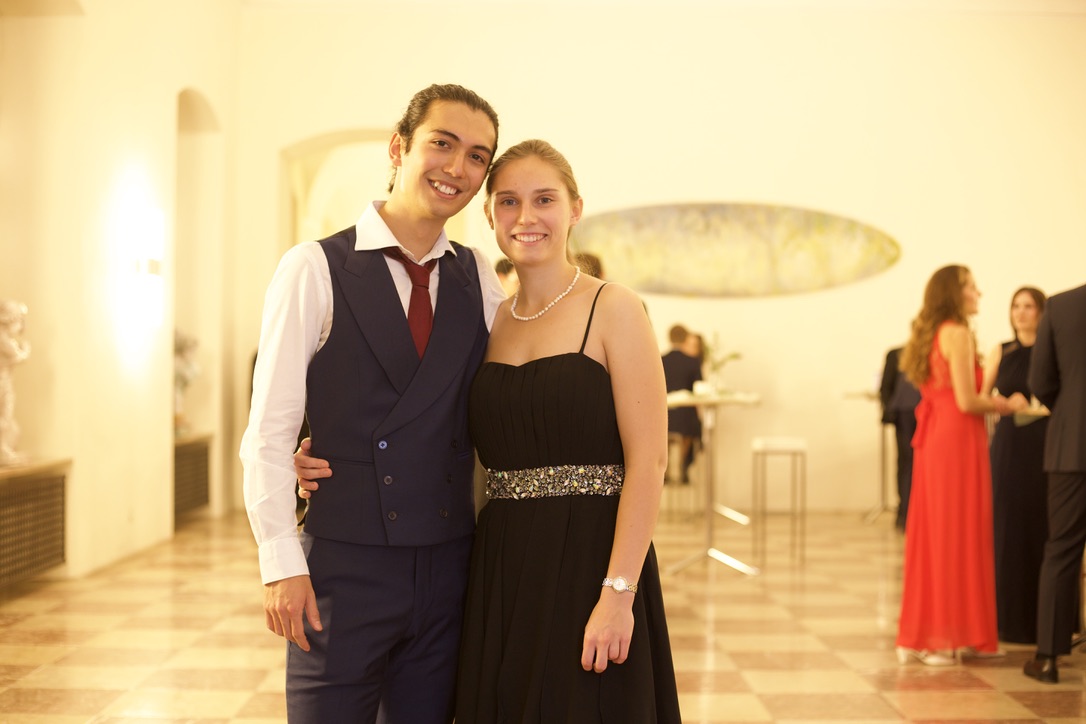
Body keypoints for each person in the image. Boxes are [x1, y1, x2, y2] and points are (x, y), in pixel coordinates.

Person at [298, 139, 681, 722]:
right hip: (501, 563)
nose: (526, 217)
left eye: (544, 199)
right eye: (508, 202)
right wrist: (323, 455)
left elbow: (649, 461)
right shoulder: (489, 316)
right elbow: (433, 424)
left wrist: (618, 592)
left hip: (592, 560)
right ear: (489, 215)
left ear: (575, 209)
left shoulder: (615, 308)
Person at [240, 83, 506, 723]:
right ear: (398, 147)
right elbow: (269, 431)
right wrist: (280, 563)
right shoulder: (313, 267)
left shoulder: (478, 276)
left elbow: (512, 395)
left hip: (449, 564)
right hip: (343, 565)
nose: (457, 167)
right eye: (442, 143)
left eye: (477, 156)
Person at [894, 265, 1027, 666]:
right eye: (971, 287)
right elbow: (968, 401)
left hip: (936, 436)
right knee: (957, 532)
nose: (978, 293)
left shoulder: (931, 334)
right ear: (954, 293)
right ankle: (943, 637)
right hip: (956, 437)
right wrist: (1007, 404)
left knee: (935, 532)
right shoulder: (958, 334)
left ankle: (929, 634)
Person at [1024, 281, 1086, 684]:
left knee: (1062, 548)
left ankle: (1047, 658)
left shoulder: (1061, 306)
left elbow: (1040, 380)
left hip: (1072, 446)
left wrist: (1068, 409)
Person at [979, 287, 1049, 644]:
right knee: (1007, 526)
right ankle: (1006, 619)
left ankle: (1044, 620)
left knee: (1042, 524)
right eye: (1016, 306)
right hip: (1009, 445)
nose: (1020, 313)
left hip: (1044, 443)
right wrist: (1004, 403)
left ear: (1041, 312)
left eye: (1028, 306)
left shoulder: (1052, 349)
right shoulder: (1002, 351)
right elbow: (982, 395)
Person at [878, 346, 920, 531]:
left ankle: (908, 513)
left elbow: (885, 388)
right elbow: (886, 387)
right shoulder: (897, 354)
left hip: (920, 412)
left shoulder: (928, 352)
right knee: (907, 462)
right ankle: (905, 512)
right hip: (906, 414)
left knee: (908, 462)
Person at [662, 324, 703, 484]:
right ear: (686, 338)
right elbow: (699, 389)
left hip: (665, 415)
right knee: (692, 427)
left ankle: (665, 469)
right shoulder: (692, 361)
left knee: (666, 430)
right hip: (685, 417)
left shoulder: (660, 360)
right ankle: (683, 464)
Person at [0, 300, 30, 465]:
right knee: (5, 415)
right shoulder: (3, 339)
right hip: (2, 384)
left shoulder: (6, 339)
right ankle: (3, 449)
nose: (20, 327)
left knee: (6, 416)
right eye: (19, 322)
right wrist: (25, 350)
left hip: (5, 383)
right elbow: (17, 356)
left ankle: (4, 448)